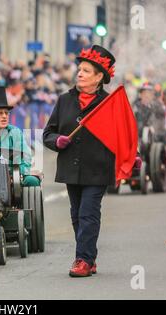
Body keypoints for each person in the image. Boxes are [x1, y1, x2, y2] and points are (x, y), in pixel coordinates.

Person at [43, 45, 141, 278]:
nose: (80, 73)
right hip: (70, 168)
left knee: (88, 213)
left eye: (86, 71)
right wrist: (57, 141)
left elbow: (123, 135)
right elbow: (47, 133)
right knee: (77, 215)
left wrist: (131, 155)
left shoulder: (110, 104)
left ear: (99, 77)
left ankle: (83, 260)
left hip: (98, 168)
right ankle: (89, 257)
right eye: (80, 69)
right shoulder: (64, 100)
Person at [0, 86, 40, 188]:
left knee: (32, 181)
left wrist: (18, 175)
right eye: (0, 113)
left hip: (12, 177)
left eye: (6, 113)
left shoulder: (15, 132)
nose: (4, 116)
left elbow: (26, 157)